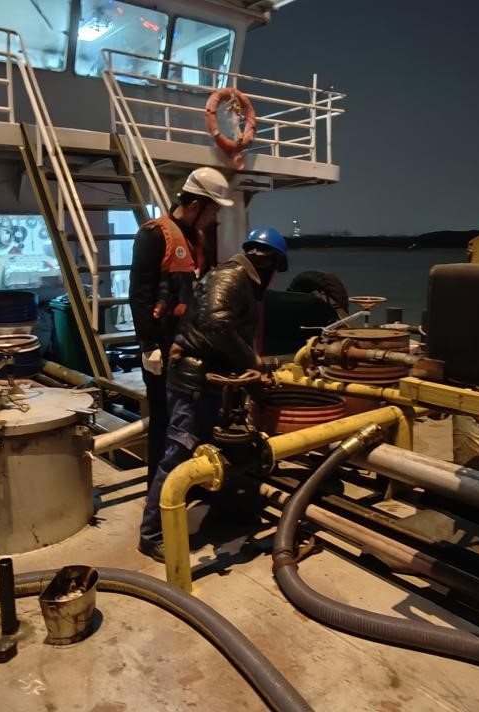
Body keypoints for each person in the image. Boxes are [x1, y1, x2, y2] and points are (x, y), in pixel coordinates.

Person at [137, 228, 288, 563]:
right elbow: (217, 325)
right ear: (271, 263)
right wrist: (253, 361)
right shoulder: (232, 277)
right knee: (179, 455)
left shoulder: (235, 277)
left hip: (208, 382)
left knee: (216, 451)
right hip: (195, 384)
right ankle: (152, 535)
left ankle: (223, 509)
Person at [128, 167, 234, 487]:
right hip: (160, 348)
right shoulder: (153, 235)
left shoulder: (192, 239)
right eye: (211, 211)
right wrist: (148, 345)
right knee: (163, 420)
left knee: (185, 419)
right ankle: (157, 491)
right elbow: (139, 294)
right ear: (195, 205)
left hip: (183, 345)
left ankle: (182, 483)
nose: (212, 219)